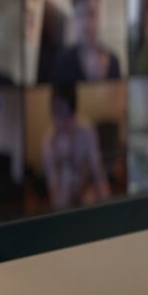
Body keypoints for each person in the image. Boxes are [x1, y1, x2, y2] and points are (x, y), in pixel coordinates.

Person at [42, 82, 110, 210]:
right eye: (58, 112)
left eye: (68, 114)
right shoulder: (48, 142)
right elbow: (55, 196)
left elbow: (98, 172)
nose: (63, 121)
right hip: (63, 202)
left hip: (87, 196)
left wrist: (107, 205)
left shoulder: (87, 130)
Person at [43, 0, 122, 83]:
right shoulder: (62, 61)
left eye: (91, 13)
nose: (86, 23)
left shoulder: (113, 61)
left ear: (99, 16)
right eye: (80, 14)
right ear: (75, 20)